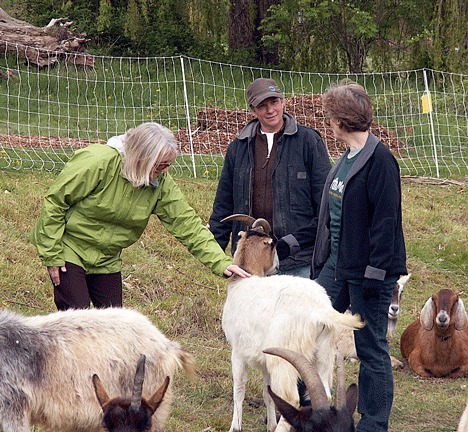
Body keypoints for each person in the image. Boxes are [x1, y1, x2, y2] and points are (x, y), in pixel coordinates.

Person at [31, 122, 250, 311]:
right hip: (70, 250)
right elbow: (55, 202)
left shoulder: (160, 184)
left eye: (169, 165)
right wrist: (52, 255)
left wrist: (221, 262)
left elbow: (187, 225)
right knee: (78, 320)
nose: (165, 171)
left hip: (107, 259)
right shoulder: (98, 161)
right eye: (161, 164)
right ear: (142, 157)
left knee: (115, 327)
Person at [311, 81, 407, 432]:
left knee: (371, 349)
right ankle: (310, 407)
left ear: (340, 121)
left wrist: (373, 276)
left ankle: (373, 422)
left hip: (370, 275)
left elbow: (386, 224)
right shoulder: (346, 158)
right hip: (337, 267)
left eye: (329, 116)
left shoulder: (381, 161)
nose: (328, 121)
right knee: (310, 327)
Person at [209, 78, 331, 277]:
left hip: (298, 260)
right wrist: (215, 256)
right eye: (262, 106)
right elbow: (223, 203)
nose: (270, 110)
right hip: (250, 263)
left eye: (274, 102)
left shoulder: (308, 142)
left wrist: (295, 243)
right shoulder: (238, 148)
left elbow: (325, 205)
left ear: (283, 102)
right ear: (253, 110)